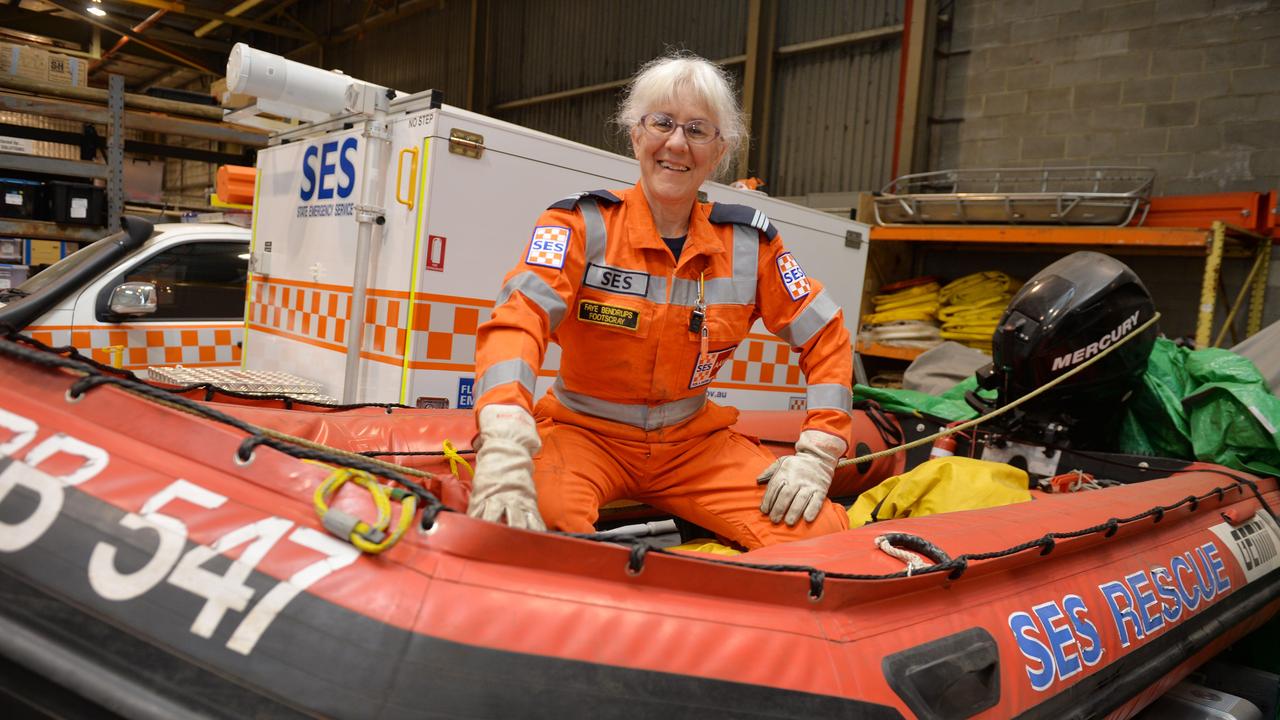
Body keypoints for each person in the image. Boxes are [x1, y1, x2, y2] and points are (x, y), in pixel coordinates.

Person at [467, 52, 854, 549]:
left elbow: (826, 336)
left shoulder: (749, 245)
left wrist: (820, 449)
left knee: (819, 536)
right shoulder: (579, 225)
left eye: (697, 130)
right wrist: (503, 432)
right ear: (635, 134)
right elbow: (519, 321)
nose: (676, 143)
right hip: (583, 434)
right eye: (662, 123)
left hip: (694, 444)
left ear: (720, 152)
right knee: (538, 525)